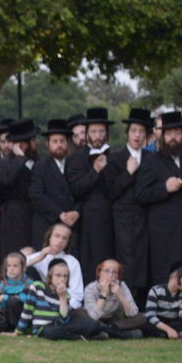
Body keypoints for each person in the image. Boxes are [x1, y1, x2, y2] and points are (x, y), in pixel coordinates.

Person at [136, 110, 182, 292]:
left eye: (177, 133)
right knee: (165, 279)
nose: (173, 138)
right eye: (169, 134)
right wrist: (164, 188)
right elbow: (141, 194)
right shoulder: (151, 161)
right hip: (163, 235)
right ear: (162, 136)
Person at [105, 107, 153, 296]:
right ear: (127, 133)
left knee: (144, 260)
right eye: (134, 131)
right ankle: (125, 300)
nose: (137, 135)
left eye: (141, 132)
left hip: (146, 216)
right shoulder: (115, 158)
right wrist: (128, 172)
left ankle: (142, 303)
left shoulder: (152, 158)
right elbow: (111, 191)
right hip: (123, 218)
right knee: (126, 260)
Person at [66, 107, 116, 275]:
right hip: (87, 222)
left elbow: (115, 189)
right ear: (87, 133)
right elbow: (76, 189)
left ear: (107, 133)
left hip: (112, 220)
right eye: (93, 131)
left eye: (101, 131)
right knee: (89, 265)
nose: (97, 136)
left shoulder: (114, 157)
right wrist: (95, 170)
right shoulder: (76, 158)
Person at [15, 257, 103, 340]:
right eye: (58, 275)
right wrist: (18, 331)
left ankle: (88, 335)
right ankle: (82, 337)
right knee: (51, 332)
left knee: (93, 325)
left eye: (65, 276)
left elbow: (63, 321)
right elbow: (27, 310)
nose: (62, 279)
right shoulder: (37, 286)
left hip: (59, 324)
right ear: (50, 276)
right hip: (44, 327)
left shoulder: (66, 294)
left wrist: (62, 297)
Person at [29, 118, 80, 243]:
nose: (59, 145)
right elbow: (36, 195)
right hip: (47, 224)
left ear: (67, 143)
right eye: (55, 141)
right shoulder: (40, 166)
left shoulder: (75, 164)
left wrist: (77, 212)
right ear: (48, 144)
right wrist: (59, 214)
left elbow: (82, 192)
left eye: (62, 141)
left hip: (72, 225)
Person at [0, 118, 39, 255]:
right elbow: (5, 180)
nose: (35, 143)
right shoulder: (5, 162)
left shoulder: (37, 160)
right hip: (14, 218)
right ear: (22, 144)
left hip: (34, 216)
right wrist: (20, 159)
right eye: (32, 141)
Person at [84, 258, 146, 338]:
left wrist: (120, 295)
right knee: (84, 318)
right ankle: (116, 333)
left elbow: (133, 313)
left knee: (141, 318)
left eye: (114, 272)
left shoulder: (121, 286)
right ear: (99, 273)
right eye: (106, 271)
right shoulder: (90, 288)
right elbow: (93, 316)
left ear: (118, 276)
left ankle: (108, 331)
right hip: (96, 321)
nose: (110, 275)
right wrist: (103, 294)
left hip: (113, 322)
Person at [144, 263, 182, 339]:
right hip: (160, 322)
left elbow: (181, 316)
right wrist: (168, 330)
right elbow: (150, 315)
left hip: (173, 322)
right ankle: (172, 334)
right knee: (147, 324)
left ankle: (166, 335)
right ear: (175, 275)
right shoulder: (156, 290)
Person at [0, 250, 30, 333]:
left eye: (15, 266)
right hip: (7, 316)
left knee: (13, 301)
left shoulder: (28, 282)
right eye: (9, 266)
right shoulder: (4, 283)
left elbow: (24, 299)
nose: (11, 269)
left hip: (22, 317)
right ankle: (8, 327)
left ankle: (19, 328)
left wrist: (4, 297)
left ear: (23, 268)